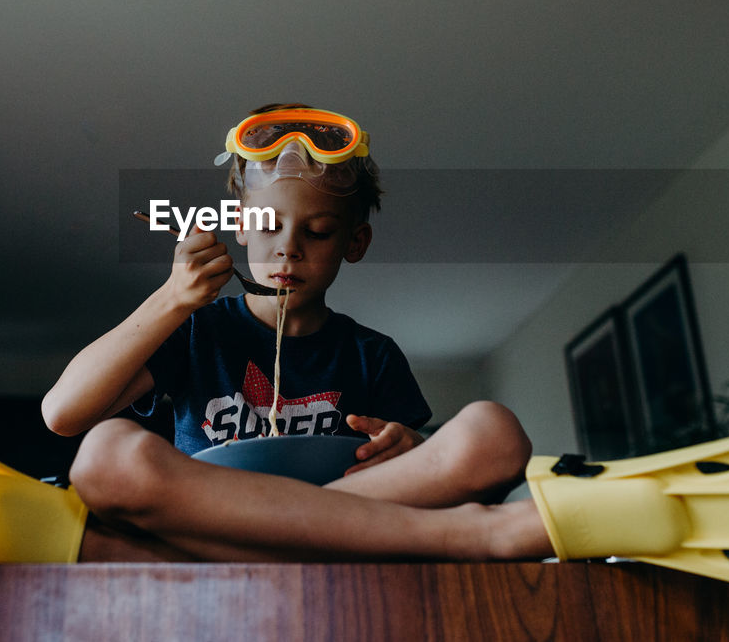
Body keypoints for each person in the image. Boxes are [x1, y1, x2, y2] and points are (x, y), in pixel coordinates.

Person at [42, 104, 554, 561]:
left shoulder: (371, 353)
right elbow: (64, 413)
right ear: (240, 225)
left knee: (494, 431)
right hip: (243, 510)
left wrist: (409, 443)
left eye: (318, 232)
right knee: (104, 452)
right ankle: (465, 536)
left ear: (355, 242)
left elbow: (424, 457)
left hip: (214, 529)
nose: (288, 249)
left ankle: (228, 546)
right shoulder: (196, 330)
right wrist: (172, 298)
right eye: (269, 226)